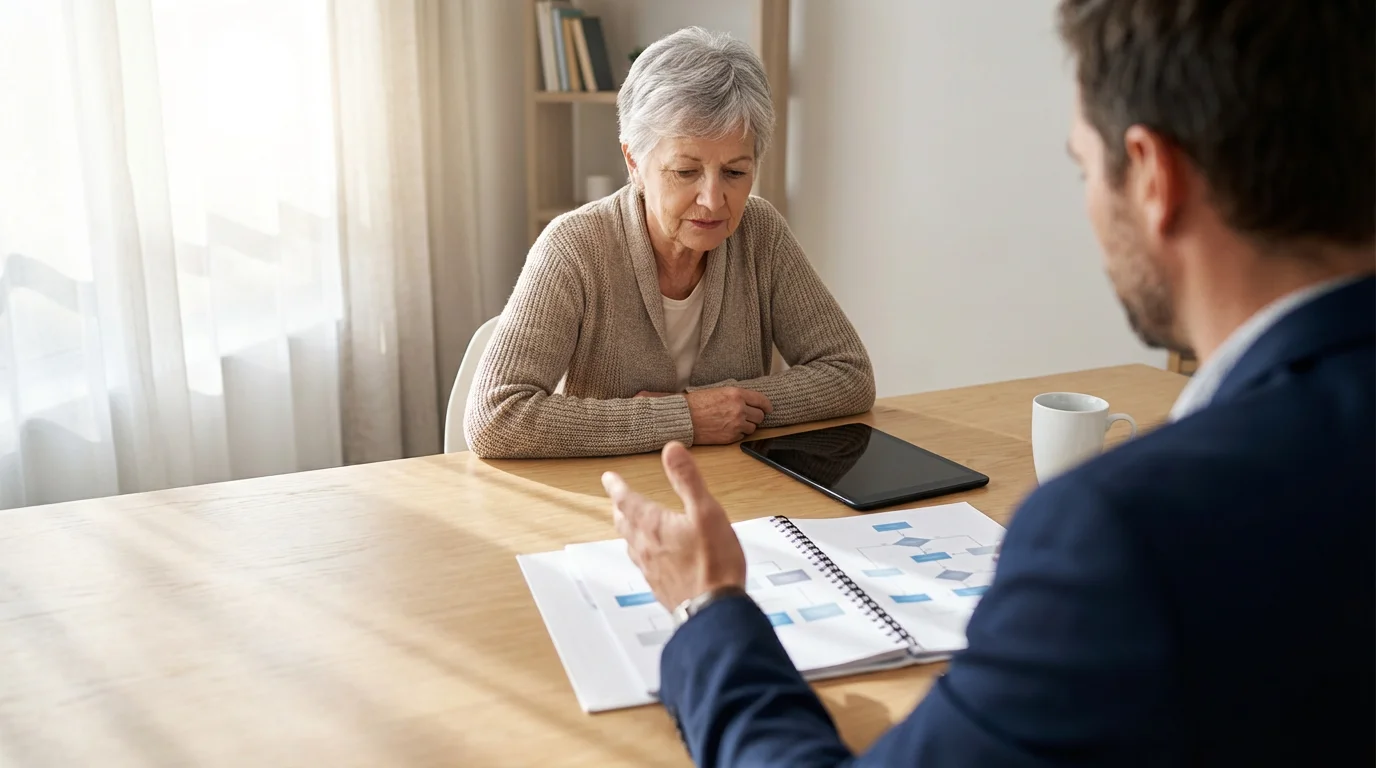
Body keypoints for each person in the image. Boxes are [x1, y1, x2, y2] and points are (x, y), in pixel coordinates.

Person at [599, 0, 1375, 764]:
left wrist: (710, 610)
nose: (714, 195)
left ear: (1152, 177)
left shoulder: (1118, 536)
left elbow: (845, 373)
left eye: (1082, 166)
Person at [464, 28, 874, 459]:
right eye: (685, 172)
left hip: (737, 486)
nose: (713, 200)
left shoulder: (760, 233)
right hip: (611, 490)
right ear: (634, 161)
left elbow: (849, 373)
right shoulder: (574, 247)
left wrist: (724, 407)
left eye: (735, 172)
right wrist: (685, 417)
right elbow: (496, 417)